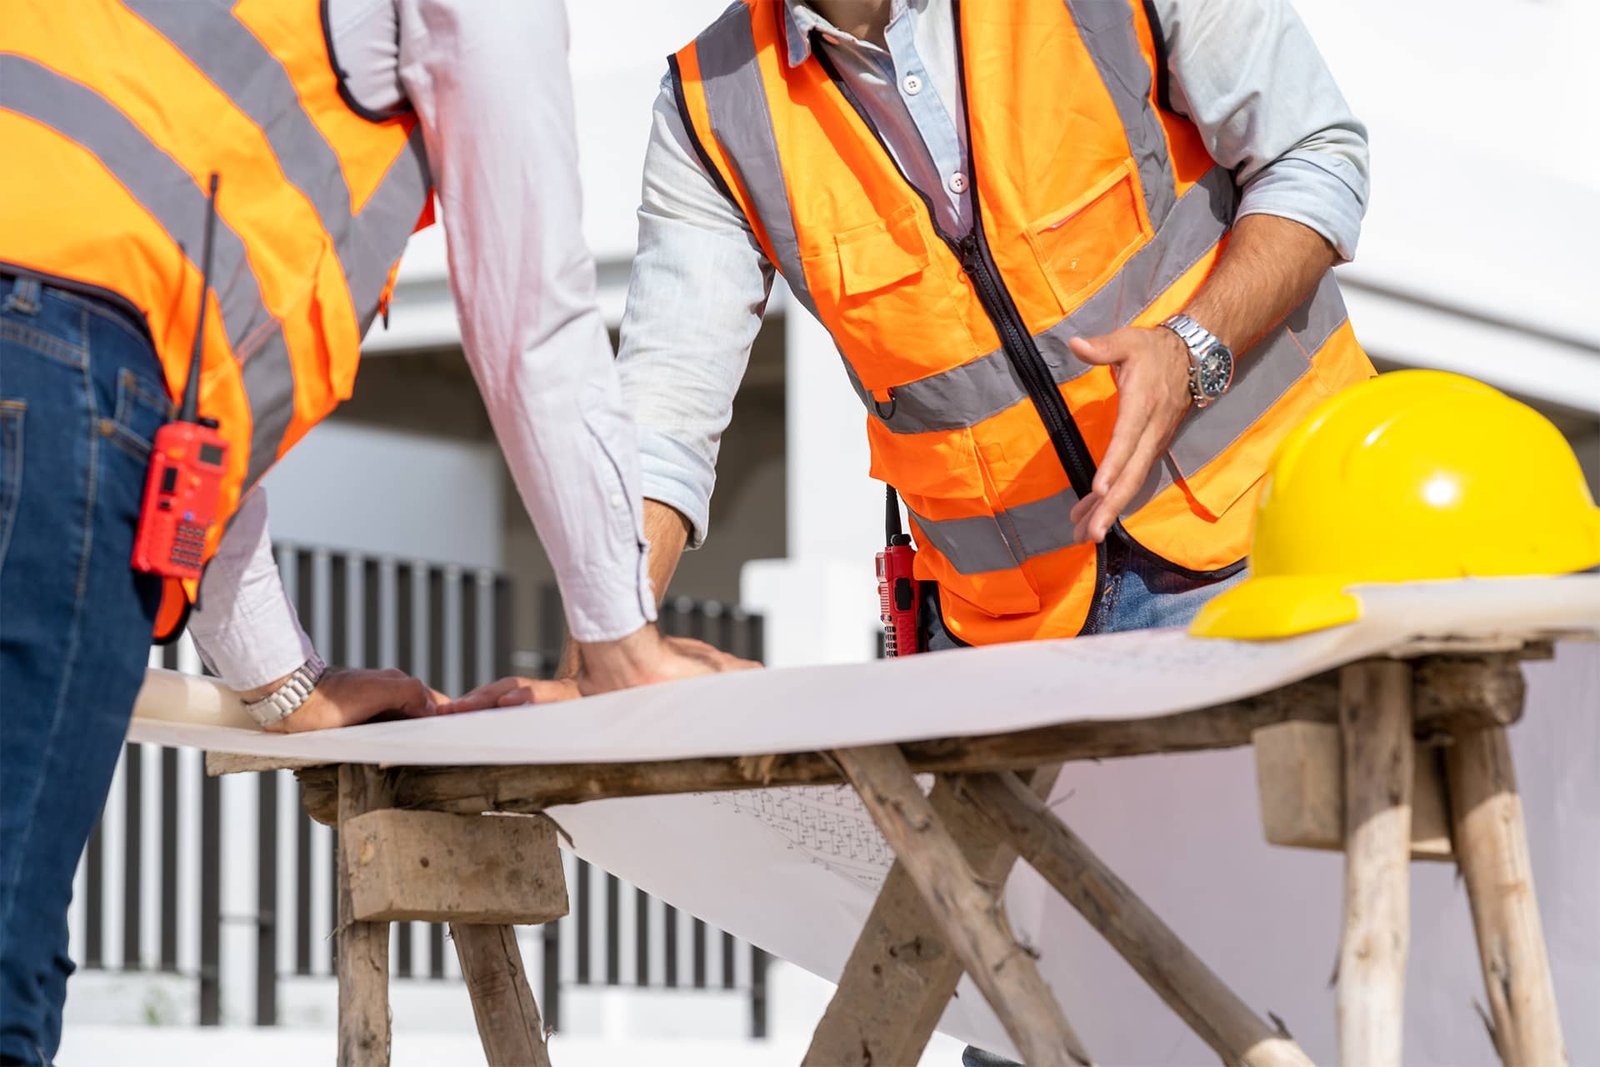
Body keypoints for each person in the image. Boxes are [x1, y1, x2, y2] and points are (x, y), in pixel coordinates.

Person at [0, 2, 747, 1062]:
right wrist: (624, 646)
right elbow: (529, 305)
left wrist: (285, 685)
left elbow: (183, 393)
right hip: (50, 365)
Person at [449, 0, 1374, 699]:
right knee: (1032, 957)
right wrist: (605, 654)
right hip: (1013, 640)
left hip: (1281, 540)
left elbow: (1316, 153)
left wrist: (1191, 348)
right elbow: (662, 419)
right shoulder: (710, 110)